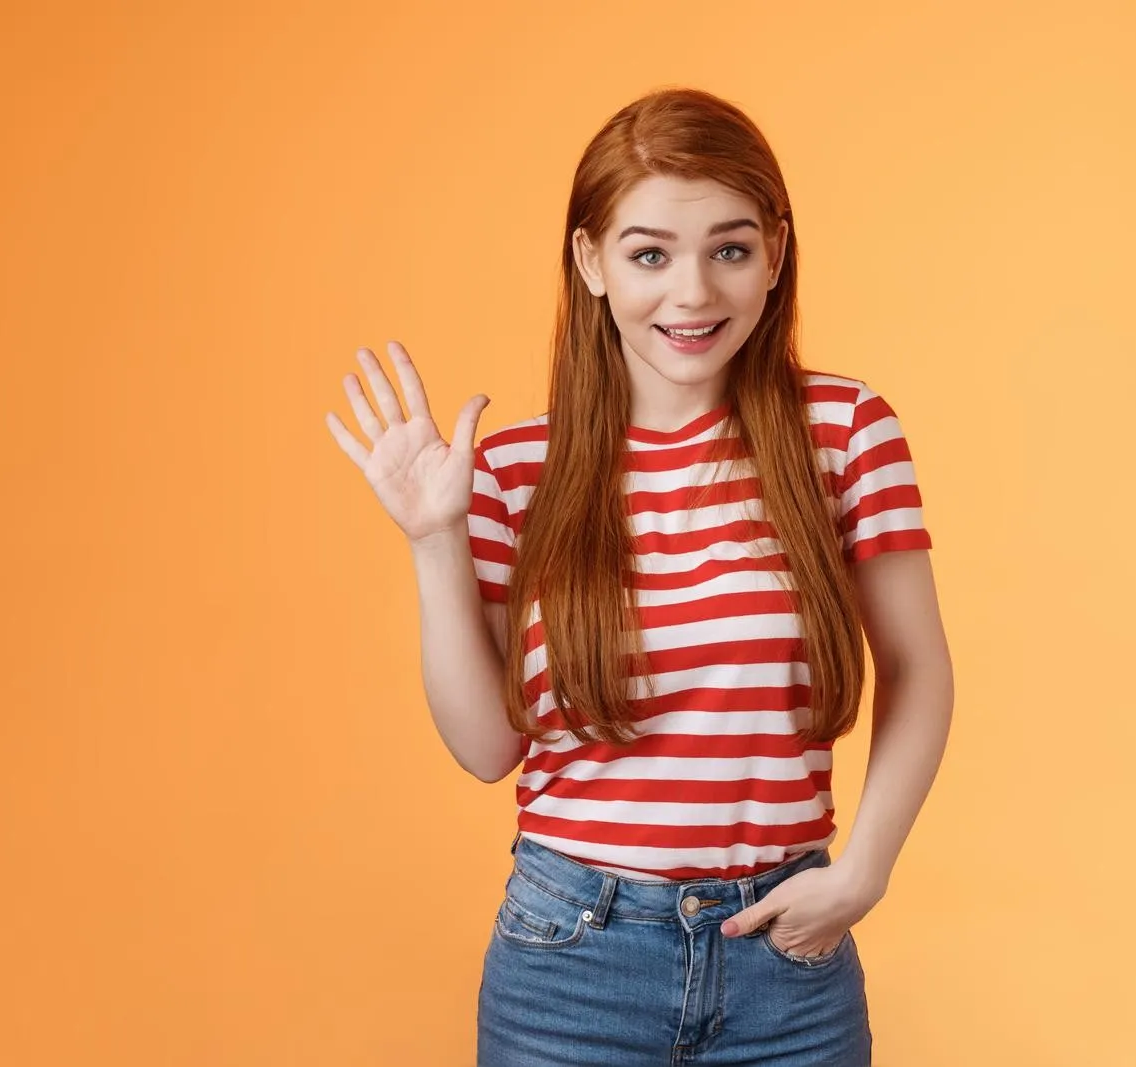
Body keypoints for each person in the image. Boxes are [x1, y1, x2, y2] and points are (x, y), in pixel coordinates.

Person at [326, 87, 954, 1067]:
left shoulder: (844, 432)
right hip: (570, 958)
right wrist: (433, 538)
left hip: (785, 954)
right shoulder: (512, 469)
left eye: (730, 249)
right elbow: (487, 747)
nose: (693, 294)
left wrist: (864, 869)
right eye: (650, 253)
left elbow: (916, 667)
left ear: (775, 254)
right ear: (591, 262)